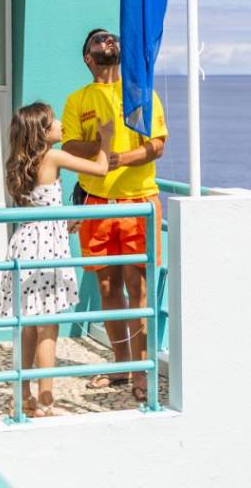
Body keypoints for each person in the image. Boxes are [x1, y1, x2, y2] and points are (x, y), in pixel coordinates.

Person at [60, 28, 167, 402]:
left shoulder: (141, 92)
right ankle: (119, 364)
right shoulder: (78, 100)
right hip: (95, 202)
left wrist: (116, 158)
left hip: (138, 201)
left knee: (137, 288)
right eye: (99, 40)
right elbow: (70, 144)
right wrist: (101, 144)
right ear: (87, 56)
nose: (110, 42)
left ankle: (141, 370)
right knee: (107, 288)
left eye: (114, 39)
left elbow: (156, 145)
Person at [0, 102, 110, 417]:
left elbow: (36, 206)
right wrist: (106, 141)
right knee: (48, 327)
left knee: (28, 325)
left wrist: (61, 222)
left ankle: (24, 394)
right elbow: (100, 168)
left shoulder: (17, 161)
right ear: (42, 132)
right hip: (47, 248)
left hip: (26, 242)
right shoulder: (53, 156)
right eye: (53, 120)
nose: (59, 123)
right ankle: (46, 399)